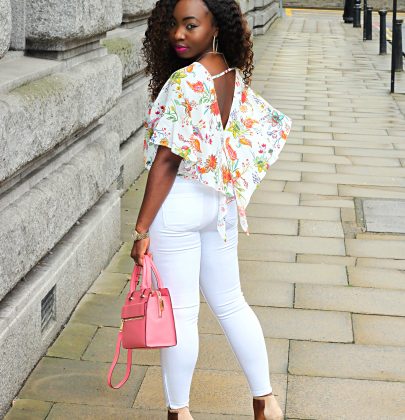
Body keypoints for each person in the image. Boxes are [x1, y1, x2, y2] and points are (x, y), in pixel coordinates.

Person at [130, 0, 292, 419]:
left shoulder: (186, 81)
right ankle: (265, 402)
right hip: (219, 203)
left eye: (190, 25)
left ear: (215, 26)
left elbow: (167, 160)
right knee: (232, 303)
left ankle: (179, 413)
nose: (178, 35)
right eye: (174, 25)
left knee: (182, 314)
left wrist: (142, 229)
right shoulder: (231, 74)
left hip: (180, 204)